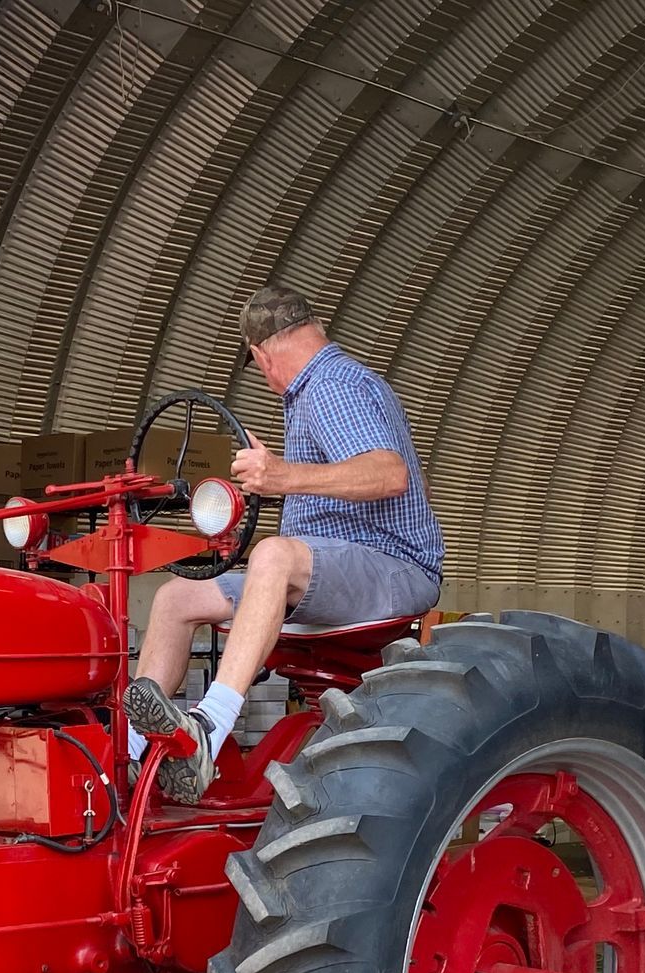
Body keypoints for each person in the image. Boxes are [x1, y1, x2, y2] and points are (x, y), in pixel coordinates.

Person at [123, 283, 444, 802]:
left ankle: (210, 726)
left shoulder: (333, 385)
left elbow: (389, 475)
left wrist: (282, 477)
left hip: (392, 567)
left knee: (274, 554)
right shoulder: (318, 392)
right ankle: (137, 754)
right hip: (339, 568)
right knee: (175, 598)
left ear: (262, 355)